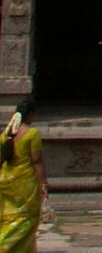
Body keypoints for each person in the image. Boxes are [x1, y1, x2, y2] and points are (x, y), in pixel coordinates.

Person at [0, 96, 47, 253]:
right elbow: (36, 161)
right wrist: (43, 183)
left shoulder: (5, 134)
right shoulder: (32, 134)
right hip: (24, 184)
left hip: (6, 180)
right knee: (26, 220)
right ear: (30, 115)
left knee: (9, 219)